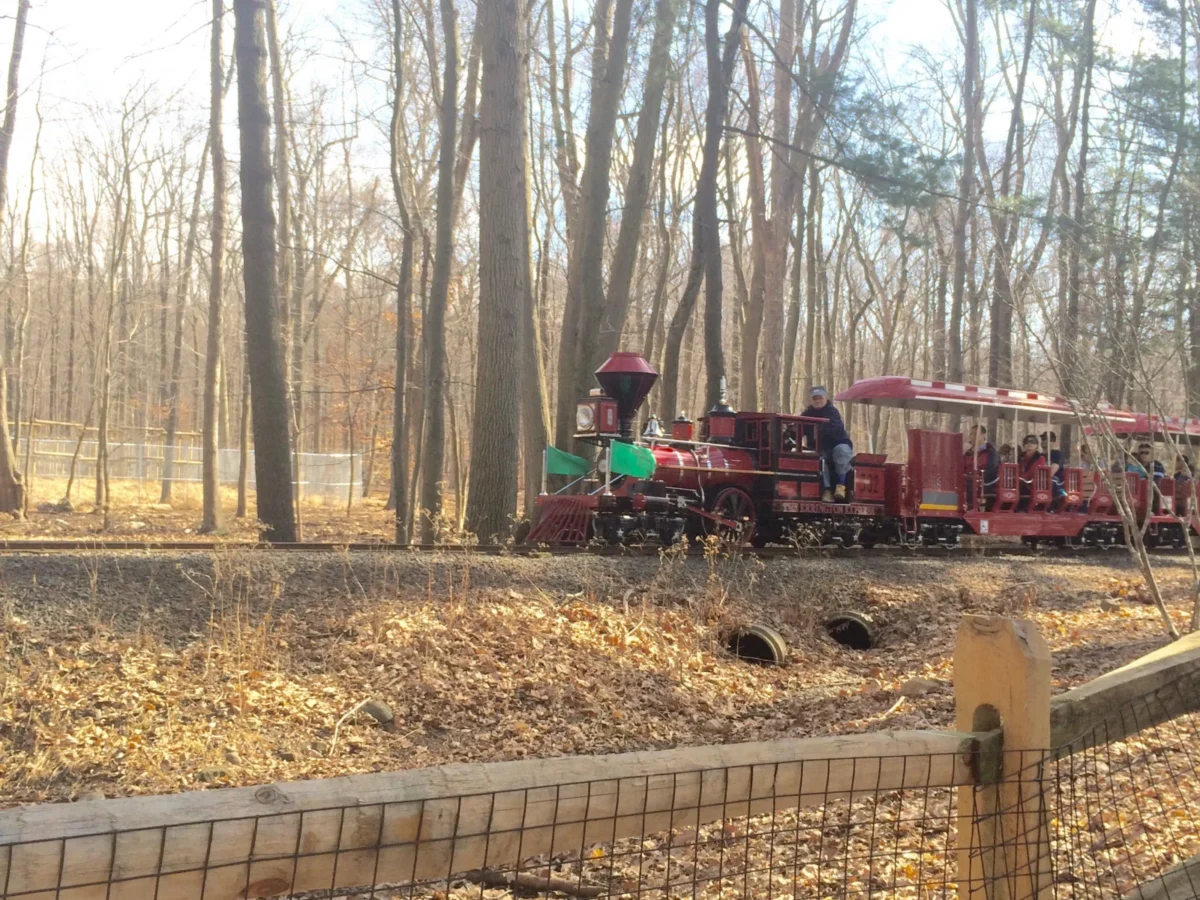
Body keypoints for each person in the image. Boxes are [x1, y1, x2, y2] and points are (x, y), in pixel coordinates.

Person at [802, 386, 854, 503]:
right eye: (815, 398)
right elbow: (799, 429)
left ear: (826, 398)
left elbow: (836, 429)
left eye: (820, 398)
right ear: (811, 400)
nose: (818, 401)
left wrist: (820, 429)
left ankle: (840, 486)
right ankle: (827, 490)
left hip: (837, 443)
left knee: (842, 452)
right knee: (819, 460)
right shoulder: (807, 413)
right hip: (819, 448)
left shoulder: (832, 412)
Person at [964, 424, 999, 508]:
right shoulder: (968, 453)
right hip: (968, 480)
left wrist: (976, 476)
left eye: (975, 434)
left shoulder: (990, 452)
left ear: (983, 435)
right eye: (971, 434)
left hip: (985, 482)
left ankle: (971, 507)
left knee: (970, 485)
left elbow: (992, 470)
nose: (972, 436)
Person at [1017, 434, 1044, 511]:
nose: (1029, 444)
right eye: (1026, 442)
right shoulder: (1020, 457)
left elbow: (1033, 471)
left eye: (1032, 442)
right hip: (1020, 481)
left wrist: (1021, 478)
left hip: (1032, 483)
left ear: (1037, 445)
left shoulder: (1040, 458)